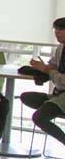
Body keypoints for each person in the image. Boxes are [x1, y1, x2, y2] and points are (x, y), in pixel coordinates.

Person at [21, 17, 65, 149]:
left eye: (61, 29)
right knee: (26, 97)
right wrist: (40, 67)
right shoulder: (61, 48)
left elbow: (62, 80)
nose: (57, 33)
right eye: (55, 29)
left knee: (39, 118)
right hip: (58, 95)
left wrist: (48, 70)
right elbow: (53, 65)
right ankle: (53, 106)